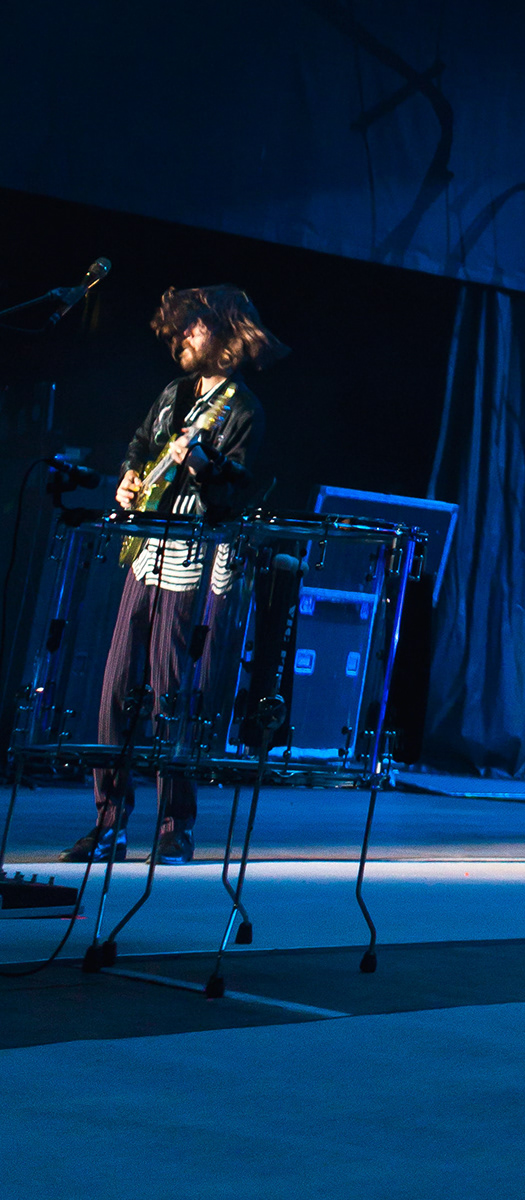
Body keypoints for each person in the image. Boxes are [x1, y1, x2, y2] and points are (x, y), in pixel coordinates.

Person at [64, 284, 285, 863]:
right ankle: (109, 822)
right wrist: (127, 478)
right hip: (146, 552)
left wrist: (204, 466)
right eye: (180, 327)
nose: (182, 335)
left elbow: (234, 494)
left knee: (171, 692)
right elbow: (140, 445)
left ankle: (174, 825)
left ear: (226, 334)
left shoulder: (242, 410)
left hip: (191, 556)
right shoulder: (173, 394)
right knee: (116, 690)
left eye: (194, 326)